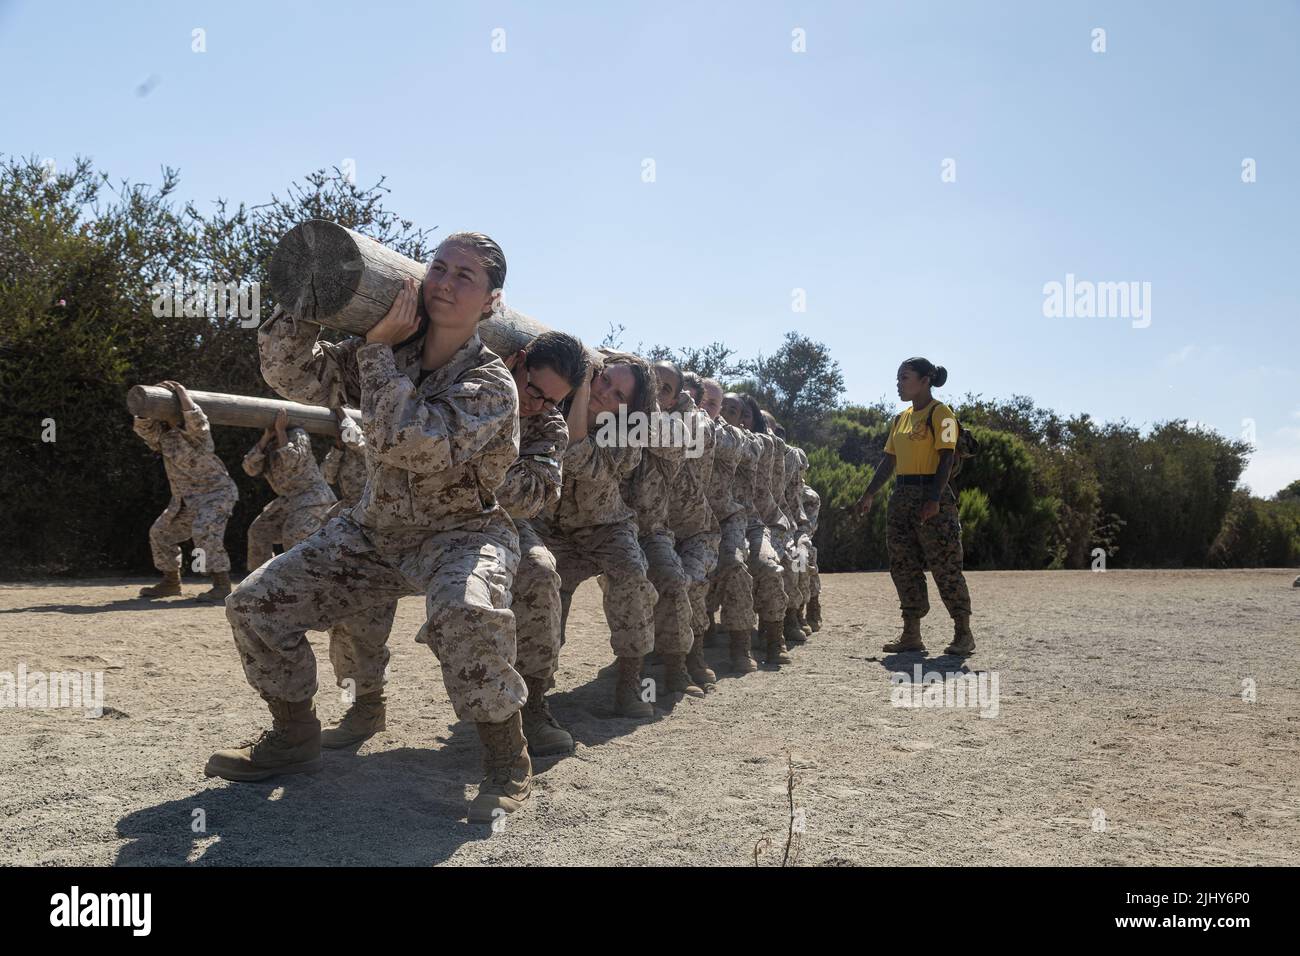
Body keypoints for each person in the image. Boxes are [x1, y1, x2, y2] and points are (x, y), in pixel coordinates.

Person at [210, 234, 531, 825]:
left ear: (491, 302)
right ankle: (293, 737)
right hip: (373, 531)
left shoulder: (490, 382)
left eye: (466, 276)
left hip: (459, 534)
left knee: (467, 612)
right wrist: (308, 295)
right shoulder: (384, 352)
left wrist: (377, 351)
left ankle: (506, 761)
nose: (445, 282)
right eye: (438, 267)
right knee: (255, 604)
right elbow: (291, 372)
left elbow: (412, 442)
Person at [532, 353, 660, 718]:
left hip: (605, 526)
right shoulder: (549, 404)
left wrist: (585, 391)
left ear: (629, 409)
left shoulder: (626, 440)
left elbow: (574, 453)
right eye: (604, 380)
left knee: (632, 576)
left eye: (620, 395)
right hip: (551, 528)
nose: (606, 394)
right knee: (542, 586)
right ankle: (538, 688)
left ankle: (630, 683)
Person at [497, 331, 589, 756]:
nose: (537, 404)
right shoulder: (462, 383)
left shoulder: (548, 425)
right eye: (533, 390)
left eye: (553, 400)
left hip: (494, 521)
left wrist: (487, 437)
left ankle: (533, 703)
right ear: (516, 362)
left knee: (539, 570)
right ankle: (365, 702)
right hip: (409, 515)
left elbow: (531, 496)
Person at [855, 357, 975, 656]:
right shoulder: (900, 419)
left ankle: (963, 633)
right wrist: (868, 494)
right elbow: (888, 461)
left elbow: (946, 457)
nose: (899, 383)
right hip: (902, 495)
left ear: (925, 380)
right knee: (903, 565)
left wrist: (934, 499)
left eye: (905, 377)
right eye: (898, 378)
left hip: (932, 494)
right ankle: (911, 634)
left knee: (945, 564)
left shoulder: (942, 414)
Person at [133, 381, 238, 603]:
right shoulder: (165, 438)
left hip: (216, 494)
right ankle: (171, 582)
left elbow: (196, 418)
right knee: (160, 532)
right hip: (186, 500)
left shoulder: (198, 435)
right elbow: (144, 429)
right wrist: (146, 404)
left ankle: (222, 585)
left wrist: (180, 392)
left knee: (204, 529)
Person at [663, 364, 721, 691]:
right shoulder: (643, 418)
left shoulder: (700, 427)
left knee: (693, 582)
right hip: (655, 526)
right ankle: (645, 657)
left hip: (695, 529)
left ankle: (691, 657)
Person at [722, 393, 789, 667]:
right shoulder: (701, 436)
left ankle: (774, 638)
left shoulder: (756, 445)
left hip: (751, 523)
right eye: (721, 408)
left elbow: (768, 496)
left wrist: (781, 527)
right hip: (709, 524)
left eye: (734, 411)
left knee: (767, 567)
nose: (726, 414)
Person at [701, 380, 759, 672]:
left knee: (735, 566)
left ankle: (740, 645)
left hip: (727, 517)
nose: (705, 408)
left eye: (714, 405)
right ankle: (681, 645)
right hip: (683, 519)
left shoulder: (733, 436)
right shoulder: (675, 426)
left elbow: (729, 445)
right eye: (702, 400)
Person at [241, 409, 336, 570]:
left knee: (293, 535)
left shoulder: (298, 435)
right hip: (289, 500)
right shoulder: (269, 444)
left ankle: (299, 583)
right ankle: (259, 583)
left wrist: (280, 431)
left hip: (313, 498)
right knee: (259, 531)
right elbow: (250, 468)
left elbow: (292, 460)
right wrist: (265, 438)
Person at [321, 406, 367, 516]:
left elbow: (353, 438)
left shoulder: (366, 445)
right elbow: (328, 478)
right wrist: (337, 450)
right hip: (350, 504)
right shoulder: (339, 451)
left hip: (366, 504)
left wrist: (338, 409)